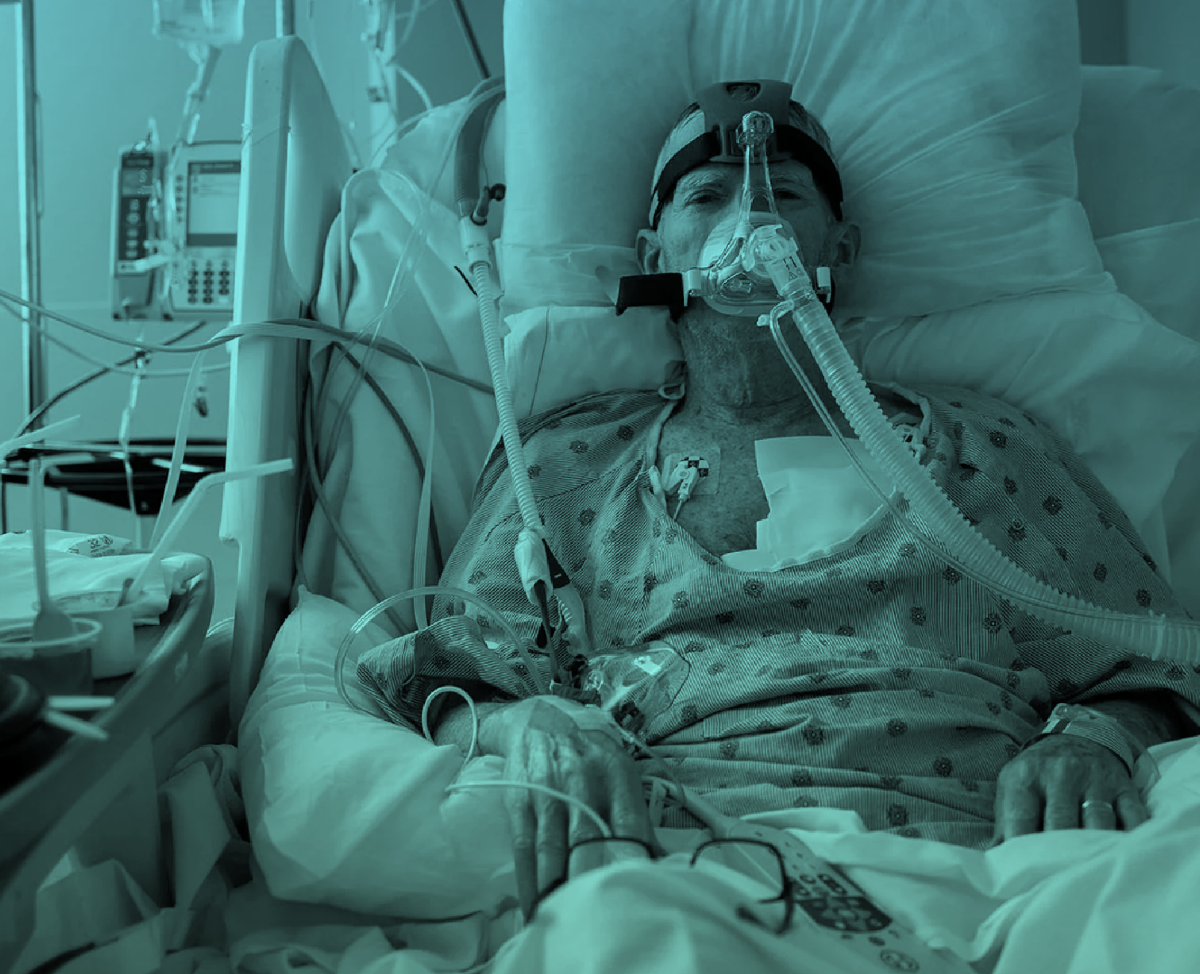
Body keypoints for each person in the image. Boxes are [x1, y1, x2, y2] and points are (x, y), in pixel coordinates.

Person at [355, 90, 1200, 936]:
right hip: (682, 866)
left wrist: (1091, 740)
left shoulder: (987, 448)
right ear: (654, 252)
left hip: (983, 864)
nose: (749, 215)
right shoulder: (568, 463)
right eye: (706, 195)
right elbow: (450, 676)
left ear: (841, 248)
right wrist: (531, 725)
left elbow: (1157, 664)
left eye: (784, 192)